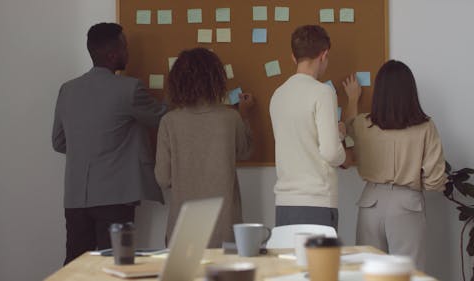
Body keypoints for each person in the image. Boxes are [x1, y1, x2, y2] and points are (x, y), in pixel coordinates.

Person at [52, 22, 167, 265]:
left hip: (75, 199)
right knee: (117, 266)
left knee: (75, 267)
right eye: (125, 47)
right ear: (113, 54)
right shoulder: (129, 89)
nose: (129, 53)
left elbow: (59, 142)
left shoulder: (67, 90)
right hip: (115, 199)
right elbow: (164, 118)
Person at [343, 60, 447, 269]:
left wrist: (353, 98)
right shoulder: (425, 127)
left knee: (369, 272)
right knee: (409, 273)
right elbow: (436, 180)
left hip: (370, 202)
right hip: (407, 202)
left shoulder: (364, 124)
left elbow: (347, 131)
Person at [154, 47, 253, 248]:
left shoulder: (169, 122)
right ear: (215, 79)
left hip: (183, 227)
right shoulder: (230, 118)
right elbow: (246, 151)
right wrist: (246, 115)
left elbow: (163, 178)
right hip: (224, 227)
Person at [269, 25, 349, 230]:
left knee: (291, 262)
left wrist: (335, 133)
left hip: (284, 203)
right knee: (319, 263)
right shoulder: (322, 92)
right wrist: (342, 147)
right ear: (324, 55)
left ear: (293, 58)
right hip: (316, 200)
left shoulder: (278, 95)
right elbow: (331, 153)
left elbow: (300, 138)